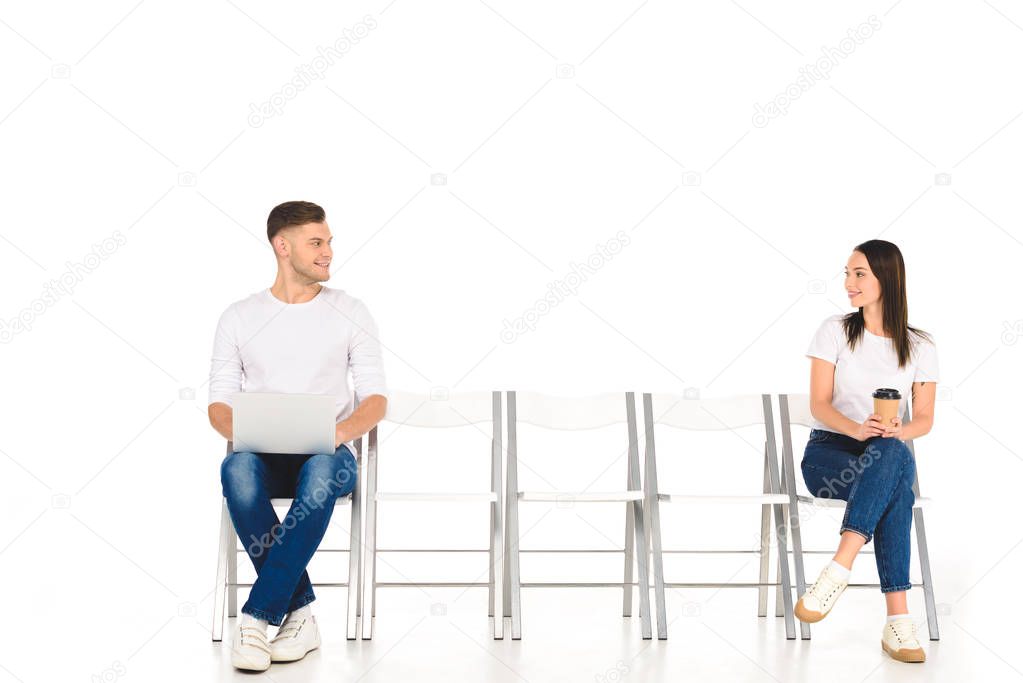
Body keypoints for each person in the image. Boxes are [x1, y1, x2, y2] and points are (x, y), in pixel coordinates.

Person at [207, 201, 387, 671]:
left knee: (321, 469)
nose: (328, 252)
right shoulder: (239, 316)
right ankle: (300, 613)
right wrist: (245, 432)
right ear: (282, 246)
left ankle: (255, 619)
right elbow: (219, 405)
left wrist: (337, 433)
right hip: (263, 457)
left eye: (328, 242)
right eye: (316, 243)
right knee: (236, 469)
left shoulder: (350, 311)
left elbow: (375, 400)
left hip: (330, 458)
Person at [795, 239, 937, 664]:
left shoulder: (920, 345)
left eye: (859, 274)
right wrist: (857, 429)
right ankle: (898, 621)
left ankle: (838, 567)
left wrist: (898, 427)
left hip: (882, 454)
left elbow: (925, 420)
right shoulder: (834, 330)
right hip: (829, 453)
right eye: (847, 273)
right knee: (897, 477)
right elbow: (819, 404)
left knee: (893, 454)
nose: (848, 283)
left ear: (886, 279)